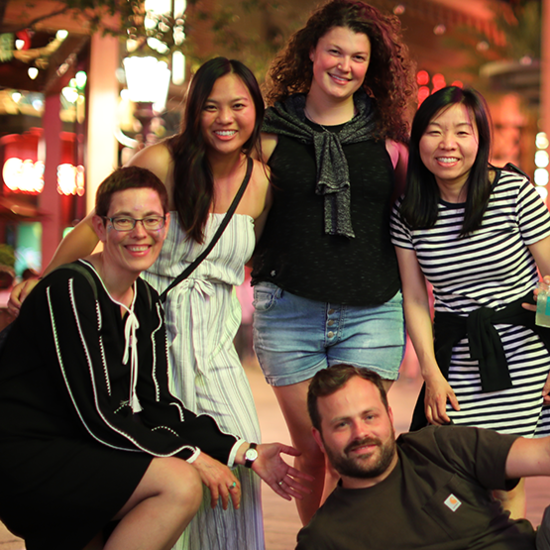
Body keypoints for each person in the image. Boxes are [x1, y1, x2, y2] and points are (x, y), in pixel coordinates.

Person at [8, 58, 273, 550]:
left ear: (257, 111)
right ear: (193, 110)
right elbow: (97, 224)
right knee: (164, 469)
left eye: (239, 105)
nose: (225, 118)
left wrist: (248, 451)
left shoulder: (261, 182)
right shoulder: (161, 163)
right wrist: (46, 282)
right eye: (211, 106)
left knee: (229, 478)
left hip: (215, 347)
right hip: (150, 339)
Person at [0, 167, 308, 550]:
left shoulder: (145, 300)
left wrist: (246, 452)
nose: (139, 232)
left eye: (151, 220)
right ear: (100, 226)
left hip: (86, 455)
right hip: (32, 460)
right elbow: (96, 415)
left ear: (166, 225)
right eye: (124, 220)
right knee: (179, 483)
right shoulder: (69, 288)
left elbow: (159, 406)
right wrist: (192, 457)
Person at [250, 0, 415, 523]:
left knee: (356, 452)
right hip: (288, 311)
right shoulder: (269, 134)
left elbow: (417, 222)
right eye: (335, 52)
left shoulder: (388, 139)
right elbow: (233, 218)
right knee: (315, 450)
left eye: (359, 57)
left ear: (373, 66)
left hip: (372, 312)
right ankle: (318, 539)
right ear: (312, 54)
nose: (345, 65)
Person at [389, 85, 550, 518]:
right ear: (418, 139)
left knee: (501, 477)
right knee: (462, 480)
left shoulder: (513, 192)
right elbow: (417, 299)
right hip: (458, 357)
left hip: (526, 352)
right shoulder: (408, 211)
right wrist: (432, 373)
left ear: (480, 140)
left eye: (462, 131)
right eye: (435, 131)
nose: (448, 145)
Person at [297, 363, 550, 550]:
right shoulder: (325, 537)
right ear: (319, 438)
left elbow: (543, 453)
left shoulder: (438, 446)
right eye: (342, 424)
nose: (360, 433)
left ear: (390, 416)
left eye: (369, 416)